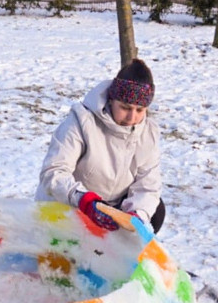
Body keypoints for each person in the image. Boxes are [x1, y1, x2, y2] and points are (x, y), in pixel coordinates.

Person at [35, 58, 165, 233]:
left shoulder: (148, 132)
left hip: (110, 208)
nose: (131, 117)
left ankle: (121, 252)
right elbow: (53, 172)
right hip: (74, 203)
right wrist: (84, 200)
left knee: (155, 210)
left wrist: (137, 216)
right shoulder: (81, 122)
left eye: (140, 110)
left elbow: (148, 185)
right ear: (111, 100)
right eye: (125, 107)